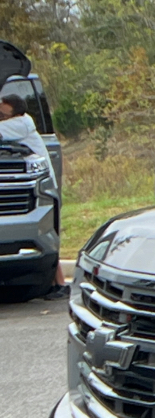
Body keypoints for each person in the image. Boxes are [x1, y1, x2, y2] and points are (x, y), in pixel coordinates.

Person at [0, 93, 67, 299]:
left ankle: (61, 285)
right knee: (50, 235)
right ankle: (56, 284)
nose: (0, 117)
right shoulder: (21, 123)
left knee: (50, 236)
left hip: (44, 190)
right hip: (46, 188)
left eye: (3, 114)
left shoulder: (19, 125)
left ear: (16, 114)